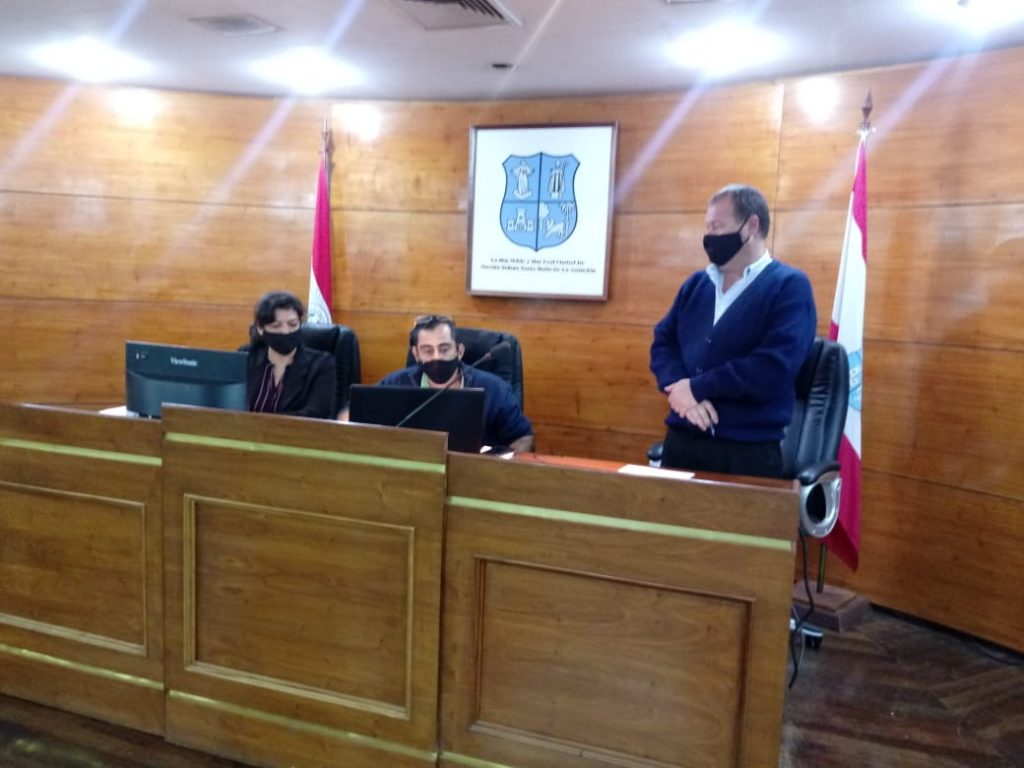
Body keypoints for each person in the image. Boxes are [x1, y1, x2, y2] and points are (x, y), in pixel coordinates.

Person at [649, 184, 816, 478]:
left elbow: (773, 367)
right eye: (707, 227)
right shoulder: (697, 284)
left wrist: (697, 388)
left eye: (717, 227)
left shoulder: (789, 287)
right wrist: (678, 387)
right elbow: (663, 342)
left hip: (746, 451)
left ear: (751, 226)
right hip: (682, 441)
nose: (709, 237)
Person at [379, 314, 535, 452]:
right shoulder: (395, 383)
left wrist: (497, 468)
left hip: (473, 471)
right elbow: (366, 421)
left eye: (444, 349)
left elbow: (524, 437)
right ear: (416, 354)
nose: (437, 357)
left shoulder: (493, 388)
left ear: (459, 351)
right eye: (428, 351)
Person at [242, 290, 337, 419]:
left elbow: (316, 414)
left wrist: (261, 423)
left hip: (297, 432)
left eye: (293, 324)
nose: (285, 331)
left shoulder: (321, 364)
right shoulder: (246, 356)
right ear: (260, 328)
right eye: (276, 326)